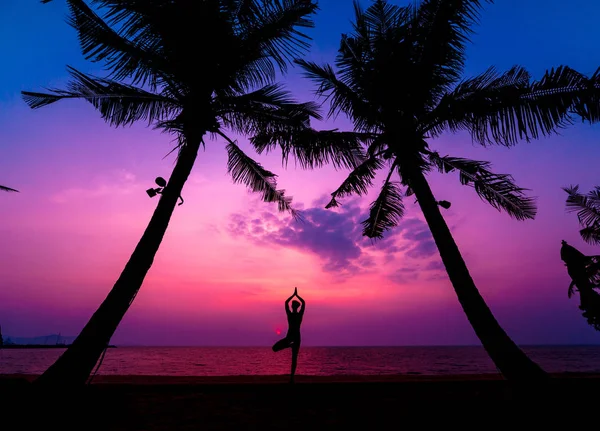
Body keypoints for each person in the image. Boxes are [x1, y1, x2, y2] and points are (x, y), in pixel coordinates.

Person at [272, 287, 305, 383]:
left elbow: (286, 303)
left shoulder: (294, 315)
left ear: (293, 306)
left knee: (294, 358)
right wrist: (296, 295)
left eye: (292, 305)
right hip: (292, 337)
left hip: (294, 337)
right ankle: (289, 345)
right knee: (276, 349)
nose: (291, 306)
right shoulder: (295, 315)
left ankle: (291, 378)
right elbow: (303, 303)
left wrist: (294, 295)